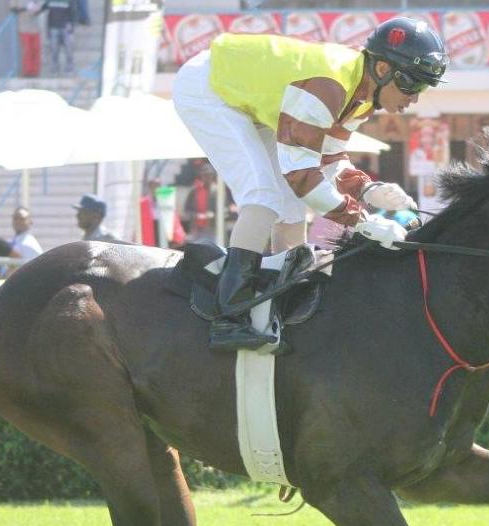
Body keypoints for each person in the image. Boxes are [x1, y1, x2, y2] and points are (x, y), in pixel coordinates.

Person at [173, 17, 447, 350]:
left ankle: (282, 303)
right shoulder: (328, 86)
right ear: (382, 68)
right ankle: (229, 317)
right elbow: (302, 177)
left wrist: (368, 190)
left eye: (423, 88)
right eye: (412, 85)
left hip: (245, 97)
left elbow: (328, 158)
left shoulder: (362, 96)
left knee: (290, 207)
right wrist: (363, 222)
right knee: (263, 195)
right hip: (209, 89)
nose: (414, 99)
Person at [38, 0, 77, 75]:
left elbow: (73, 13)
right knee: (54, 50)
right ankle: (55, 69)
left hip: (65, 27)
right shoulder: (49, 1)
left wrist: (72, 27)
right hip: (53, 27)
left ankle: (69, 68)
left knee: (68, 50)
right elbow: (42, 8)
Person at [10, 1, 42, 78]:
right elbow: (13, 10)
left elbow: (39, 9)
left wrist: (36, 9)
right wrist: (26, 8)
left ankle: (35, 72)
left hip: (35, 28)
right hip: (24, 28)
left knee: (36, 49)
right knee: (27, 50)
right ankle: (27, 71)